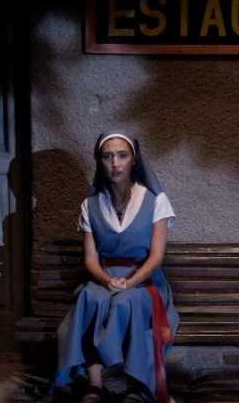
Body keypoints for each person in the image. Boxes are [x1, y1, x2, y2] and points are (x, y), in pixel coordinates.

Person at [54, 132, 179, 403]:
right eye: (107, 156)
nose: (115, 163)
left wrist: (130, 282)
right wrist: (105, 279)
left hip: (145, 281)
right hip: (106, 278)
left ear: (134, 160)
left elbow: (156, 257)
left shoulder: (156, 201)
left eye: (122, 155)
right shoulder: (90, 205)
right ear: (99, 161)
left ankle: (138, 386)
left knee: (126, 301)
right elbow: (90, 258)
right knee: (89, 296)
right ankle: (94, 386)